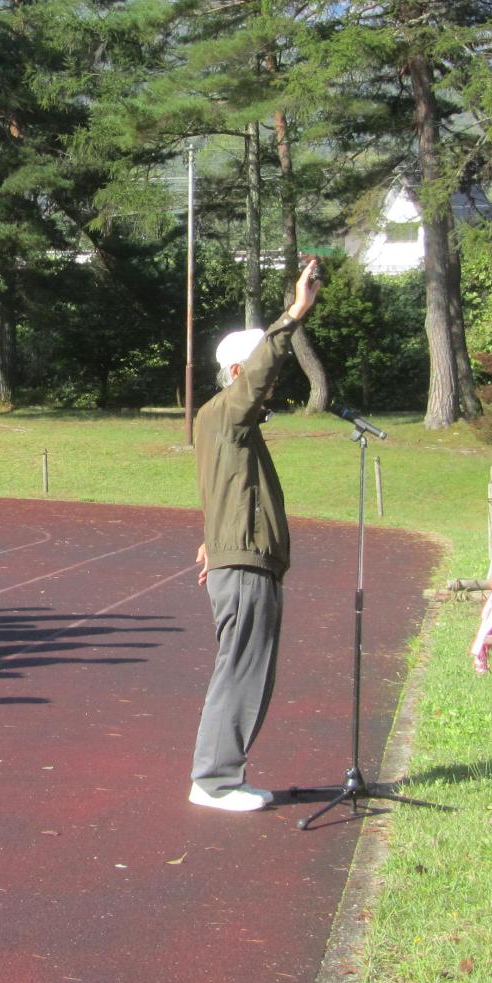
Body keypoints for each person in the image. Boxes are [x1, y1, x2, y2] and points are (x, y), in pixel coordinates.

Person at [188, 258, 322, 812]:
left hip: (240, 561)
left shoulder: (225, 425)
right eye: (262, 373)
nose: (273, 383)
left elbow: (224, 493)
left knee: (246, 672)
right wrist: (294, 313)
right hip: (243, 568)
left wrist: (212, 541)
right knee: (241, 674)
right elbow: (262, 368)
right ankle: (214, 781)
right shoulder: (227, 414)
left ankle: (222, 777)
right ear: (240, 375)